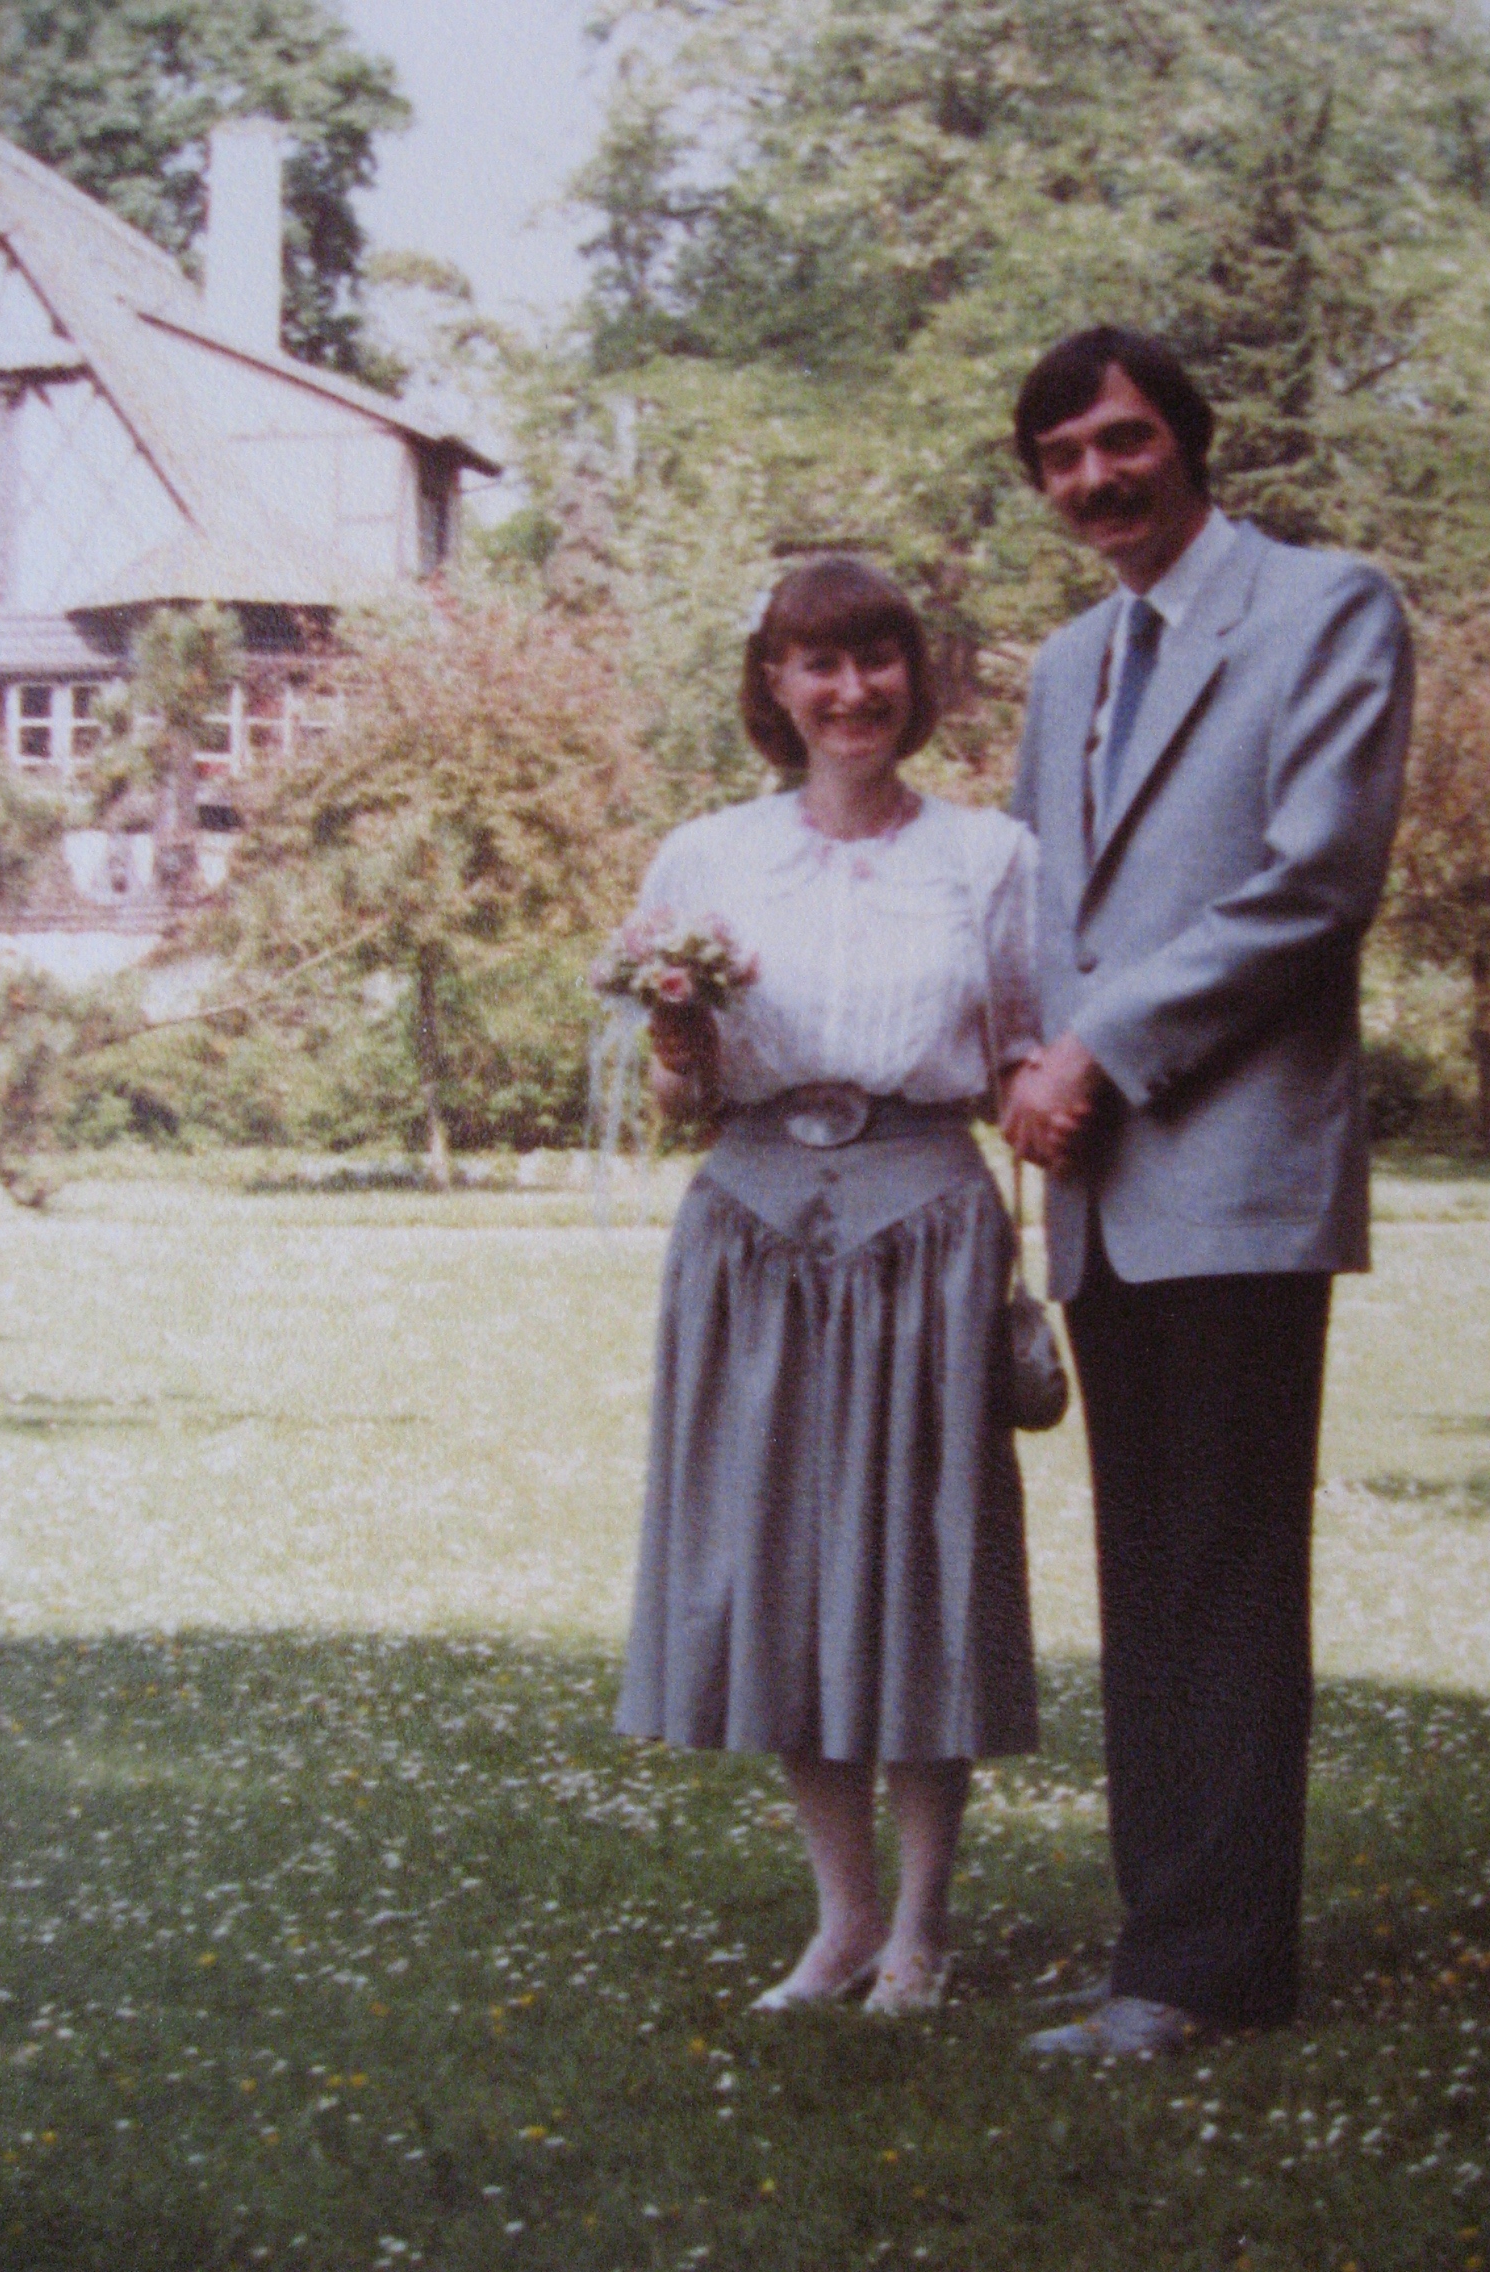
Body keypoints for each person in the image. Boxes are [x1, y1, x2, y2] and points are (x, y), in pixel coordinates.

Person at [1000, 327, 1413, 2056]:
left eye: (1122, 439)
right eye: (1062, 458)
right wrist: (1014, 1060)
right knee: (1148, 1575)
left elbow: (1313, 884)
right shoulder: (1065, 664)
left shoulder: (1325, 608)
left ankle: (1207, 1973)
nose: (1097, 478)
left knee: (1226, 1572)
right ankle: (1162, 1947)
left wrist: (1096, 1050)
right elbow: (1042, 908)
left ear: (1187, 437)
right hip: (1101, 1191)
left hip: (1236, 1170)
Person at [615, 557, 1041, 2016]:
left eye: (878, 660)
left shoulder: (989, 857)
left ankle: (922, 1926)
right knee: (786, 1563)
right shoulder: (705, 856)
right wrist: (679, 1047)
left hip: (920, 1228)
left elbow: (1025, 1059)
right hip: (751, 1227)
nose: (853, 691)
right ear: (775, 685)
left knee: (917, 1563)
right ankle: (842, 1919)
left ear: (914, 677)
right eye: (820, 664)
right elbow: (679, 1096)